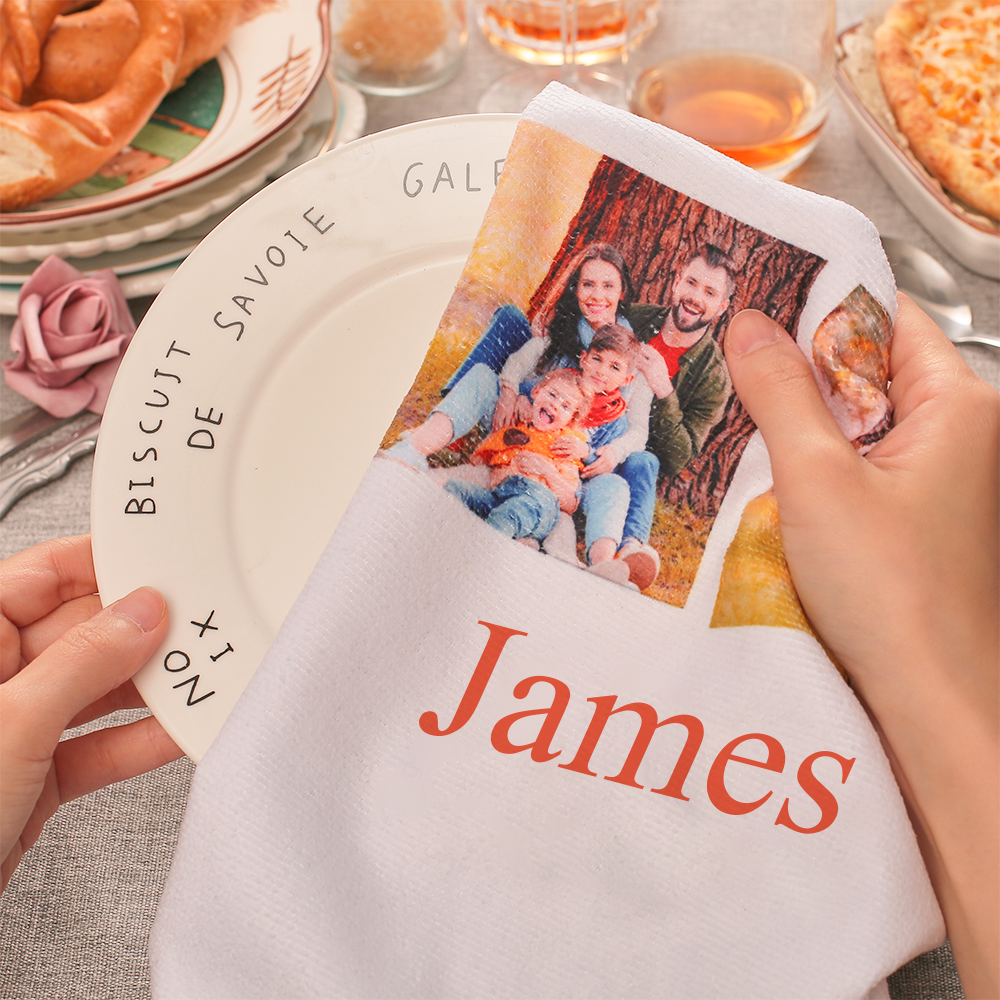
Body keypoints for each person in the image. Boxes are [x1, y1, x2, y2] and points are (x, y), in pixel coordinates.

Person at [1, 297, 996, 1000]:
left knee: (554, 510)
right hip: (505, 480)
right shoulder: (539, 386)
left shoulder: (629, 414)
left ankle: (588, 551)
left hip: (559, 499)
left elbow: (631, 450)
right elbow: (506, 393)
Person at [444, 368, 592, 543]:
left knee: (508, 515)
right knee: (455, 489)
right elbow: (479, 459)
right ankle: (442, 533)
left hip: (536, 502)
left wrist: (547, 471)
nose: (555, 405)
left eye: (565, 406)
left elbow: (570, 503)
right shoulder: (515, 430)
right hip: (498, 495)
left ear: (571, 420)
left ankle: (481, 550)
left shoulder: (563, 447)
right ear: (536, 392)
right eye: (552, 394)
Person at [627, 243, 736, 479]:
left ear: (721, 307)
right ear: (677, 283)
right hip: (587, 428)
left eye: (709, 293)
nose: (695, 297)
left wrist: (664, 390)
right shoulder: (634, 318)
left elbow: (676, 460)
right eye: (691, 283)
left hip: (632, 460)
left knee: (644, 464)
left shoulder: (714, 378)